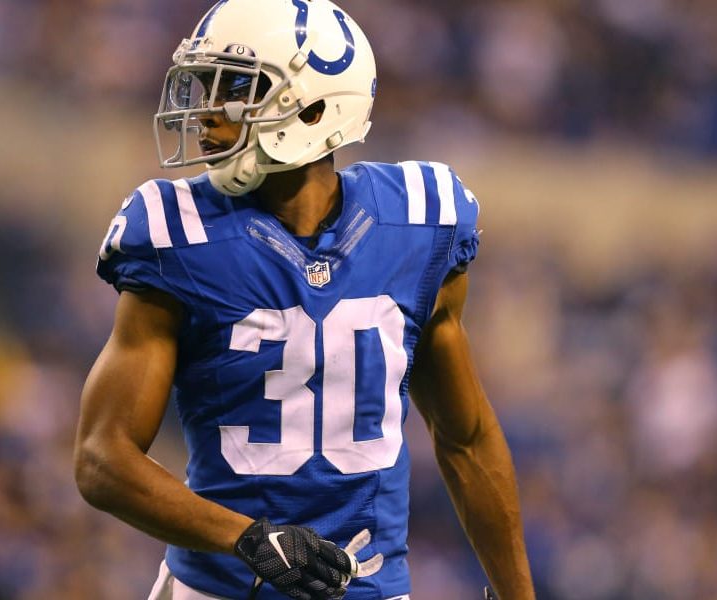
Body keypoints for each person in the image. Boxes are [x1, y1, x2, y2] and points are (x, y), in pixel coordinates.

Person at [74, 0, 535, 598]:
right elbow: (101, 457)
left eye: (236, 89)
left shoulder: (419, 226)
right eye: (205, 86)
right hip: (218, 589)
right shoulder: (178, 235)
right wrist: (246, 537)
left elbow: (465, 440)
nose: (207, 114)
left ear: (315, 106)